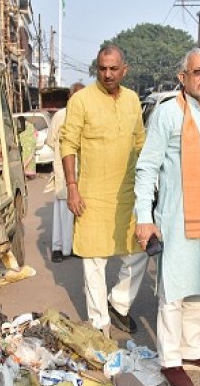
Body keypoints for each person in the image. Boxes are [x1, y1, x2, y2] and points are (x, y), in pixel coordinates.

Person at [134, 48, 200, 386]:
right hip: (178, 220)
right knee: (174, 292)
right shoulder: (167, 114)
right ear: (183, 78)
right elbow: (147, 167)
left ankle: (193, 352)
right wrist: (144, 218)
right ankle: (171, 360)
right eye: (198, 71)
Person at [60, 45, 148, 335]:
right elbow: (68, 144)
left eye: (113, 68)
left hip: (127, 194)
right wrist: (72, 187)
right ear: (96, 68)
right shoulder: (81, 100)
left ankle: (118, 304)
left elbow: (140, 143)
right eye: (102, 68)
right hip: (91, 195)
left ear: (125, 69)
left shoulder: (133, 100)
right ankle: (100, 325)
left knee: (140, 252)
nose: (108, 74)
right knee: (94, 262)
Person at [47, 82, 84, 263]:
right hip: (63, 170)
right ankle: (58, 248)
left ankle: (75, 246)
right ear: (70, 98)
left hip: (82, 170)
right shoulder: (60, 116)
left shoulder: (87, 116)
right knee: (62, 210)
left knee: (79, 211)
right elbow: (51, 141)